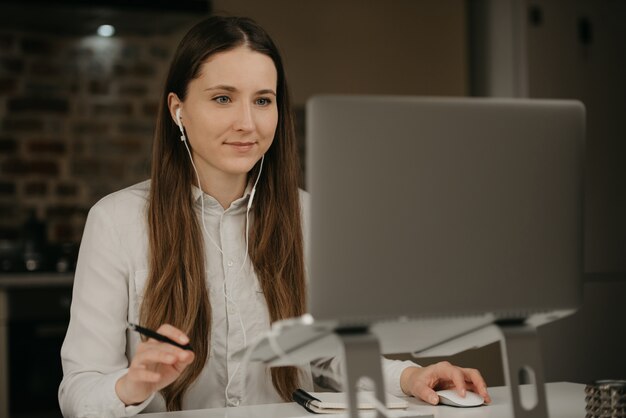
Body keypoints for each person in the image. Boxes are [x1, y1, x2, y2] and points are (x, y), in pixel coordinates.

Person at [59, 15, 491, 416]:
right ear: (178, 110)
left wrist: (409, 376)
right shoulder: (116, 221)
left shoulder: (309, 216)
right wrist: (131, 387)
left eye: (263, 100)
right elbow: (78, 390)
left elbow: (325, 352)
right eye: (223, 98)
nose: (247, 122)